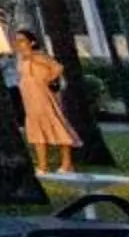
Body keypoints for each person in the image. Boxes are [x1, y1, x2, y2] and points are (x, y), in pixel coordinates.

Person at [9, 28, 79, 174]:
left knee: (57, 127)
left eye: (22, 40)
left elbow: (58, 68)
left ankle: (67, 164)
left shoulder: (38, 56)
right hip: (30, 101)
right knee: (36, 133)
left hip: (43, 98)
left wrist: (47, 79)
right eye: (17, 41)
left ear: (31, 42)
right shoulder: (21, 59)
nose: (19, 44)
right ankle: (43, 165)